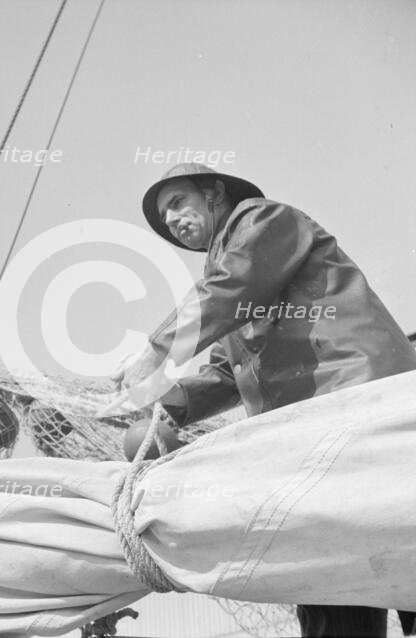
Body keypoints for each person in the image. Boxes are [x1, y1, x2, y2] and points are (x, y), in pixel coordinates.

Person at [114, 163, 416, 638]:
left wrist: (157, 350)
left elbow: (235, 283)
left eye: (176, 202)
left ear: (215, 194)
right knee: (328, 579)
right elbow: (224, 373)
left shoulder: (263, 221)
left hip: (357, 402)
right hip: (306, 444)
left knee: (395, 540)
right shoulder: (227, 284)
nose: (172, 220)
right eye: (165, 216)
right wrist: (163, 403)